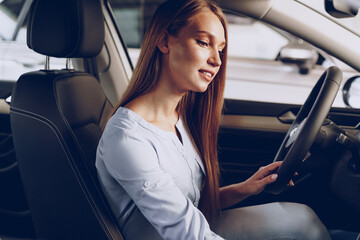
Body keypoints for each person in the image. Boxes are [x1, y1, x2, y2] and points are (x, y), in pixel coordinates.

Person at [95, 0, 331, 239]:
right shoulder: (127, 138)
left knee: (303, 218)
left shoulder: (177, 118)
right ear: (165, 41)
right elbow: (188, 232)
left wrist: (246, 188)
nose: (217, 60)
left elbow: (190, 204)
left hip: (200, 227)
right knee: (303, 227)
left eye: (220, 49)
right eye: (203, 42)